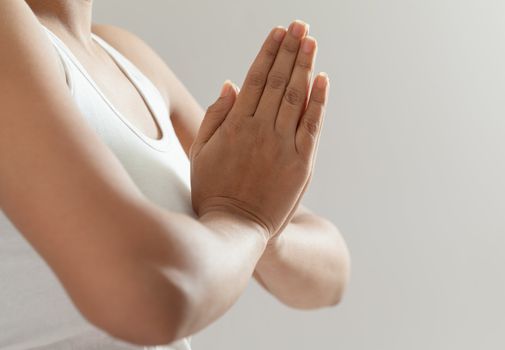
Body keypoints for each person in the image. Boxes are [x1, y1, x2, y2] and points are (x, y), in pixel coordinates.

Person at [0, 0, 351, 349]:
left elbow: (331, 275)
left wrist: (263, 226)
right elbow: (145, 293)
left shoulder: (128, 57)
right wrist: (247, 219)